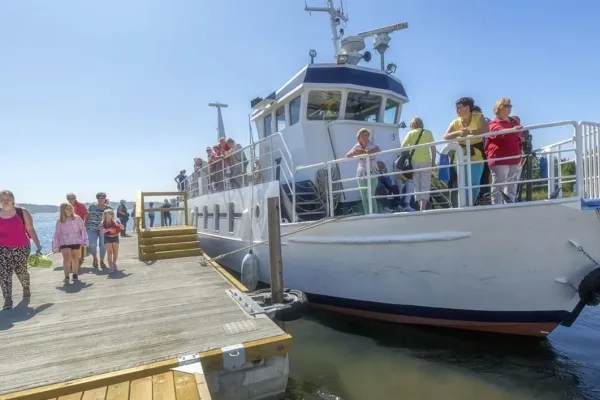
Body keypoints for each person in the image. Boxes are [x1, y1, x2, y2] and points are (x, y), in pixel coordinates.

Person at [0, 190, 41, 310]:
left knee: (21, 270)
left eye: (8, 198)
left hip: (21, 247)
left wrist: (37, 244)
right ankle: (7, 298)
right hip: (2, 248)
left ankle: (26, 287)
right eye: (3, 198)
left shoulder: (22, 212)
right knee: (4, 273)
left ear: (13, 199)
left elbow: (30, 228)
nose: (6, 200)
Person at [444, 97, 489, 205]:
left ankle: (470, 204)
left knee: (474, 184)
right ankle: (465, 206)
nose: (456, 110)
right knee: (462, 184)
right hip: (460, 156)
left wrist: (470, 132)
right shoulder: (455, 122)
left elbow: (485, 131)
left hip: (476, 154)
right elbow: (446, 136)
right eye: (456, 108)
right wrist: (458, 132)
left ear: (467, 108)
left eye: (459, 108)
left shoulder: (478, 117)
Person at [486, 98, 524, 204]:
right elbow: (499, 133)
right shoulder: (492, 124)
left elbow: (519, 137)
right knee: (499, 185)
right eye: (507, 106)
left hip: (515, 158)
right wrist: (513, 130)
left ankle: (510, 205)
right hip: (500, 159)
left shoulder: (514, 122)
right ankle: (497, 208)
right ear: (499, 108)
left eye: (510, 106)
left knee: (512, 186)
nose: (509, 108)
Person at [401, 117, 436, 211]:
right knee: (425, 184)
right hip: (426, 160)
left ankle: (420, 206)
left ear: (412, 125)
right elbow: (433, 148)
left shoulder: (410, 133)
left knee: (417, 184)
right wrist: (433, 161)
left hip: (414, 161)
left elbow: (403, 147)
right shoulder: (428, 132)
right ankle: (422, 208)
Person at [346, 128, 381, 214]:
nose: (366, 137)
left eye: (367, 135)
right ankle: (367, 213)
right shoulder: (357, 146)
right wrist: (355, 152)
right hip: (361, 173)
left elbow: (377, 149)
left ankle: (375, 213)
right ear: (359, 137)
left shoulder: (371, 144)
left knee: (371, 194)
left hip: (373, 172)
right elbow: (348, 155)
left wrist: (364, 152)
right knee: (364, 196)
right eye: (363, 135)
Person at [52, 203, 89, 283]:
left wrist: (84, 240)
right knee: (66, 258)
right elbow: (57, 233)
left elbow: (82, 229)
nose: (70, 209)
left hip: (75, 241)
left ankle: (75, 274)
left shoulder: (77, 218)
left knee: (75, 258)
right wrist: (56, 245)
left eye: (70, 208)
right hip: (64, 242)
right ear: (63, 210)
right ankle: (67, 276)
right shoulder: (60, 221)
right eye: (67, 208)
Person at [86, 192, 112, 270]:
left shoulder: (108, 208)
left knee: (103, 246)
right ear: (97, 198)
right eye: (99, 198)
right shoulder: (92, 206)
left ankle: (102, 261)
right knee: (92, 244)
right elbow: (87, 216)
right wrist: (84, 226)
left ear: (105, 199)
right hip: (91, 228)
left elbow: (112, 219)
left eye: (102, 198)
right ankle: (95, 258)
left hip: (103, 230)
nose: (100, 199)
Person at [67, 193, 89, 265]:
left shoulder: (81, 205)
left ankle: (79, 258)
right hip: (68, 229)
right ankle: (72, 260)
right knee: (69, 245)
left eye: (72, 198)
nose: (70, 200)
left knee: (79, 244)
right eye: (69, 198)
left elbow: (86, 216)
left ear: (75, 198)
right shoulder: (66, 206)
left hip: (79, 228)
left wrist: (84, 227)